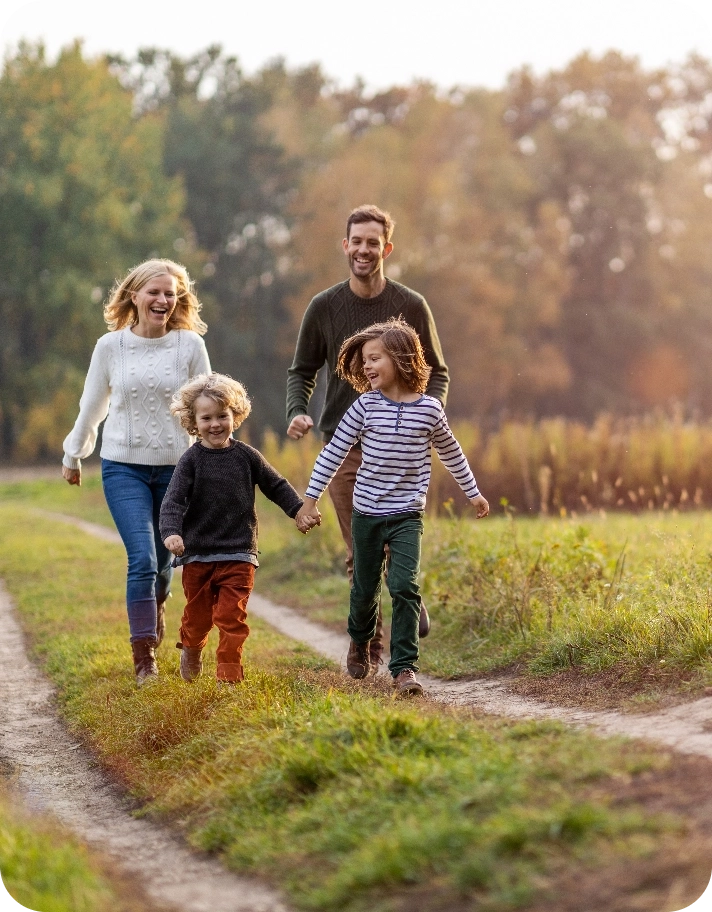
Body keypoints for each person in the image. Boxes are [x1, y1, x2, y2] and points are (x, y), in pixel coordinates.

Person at [286, 204, 449, 669]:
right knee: (360, 551)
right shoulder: (324, 306)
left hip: (402, 444)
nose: (363, 249)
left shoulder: (411, 305)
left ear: (386, 248)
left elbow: (437, 372)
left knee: (398, 540)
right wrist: (298, 411)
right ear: (345, 245)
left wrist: (426, 415)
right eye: (356, 241)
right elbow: (301, 371)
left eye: (372, 242)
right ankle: (366, 648)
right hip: (345, 442)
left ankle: (406, 594)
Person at [296, 319, 489, 696]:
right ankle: (361, 641)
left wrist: (474, 493)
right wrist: (310, 498)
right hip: (367, 513)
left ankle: (404, 670)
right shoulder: (364, 407)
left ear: (400, 359)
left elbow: (451, 452)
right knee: (364, 590)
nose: (366, 367)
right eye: (364, 360)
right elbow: (333, 453)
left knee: (404, 586)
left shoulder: (430, 410)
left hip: (406, 515)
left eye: (374, 359)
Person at [62, 259, 211, 685]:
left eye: (171, 294)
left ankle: (156, 604)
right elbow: (93, 405)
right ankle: (144, 658)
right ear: (134, 295)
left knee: (165, 564)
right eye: (155, 292)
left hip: (176, 472)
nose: (163, 300)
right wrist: (75, 454)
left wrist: (215, 459)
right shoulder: (111, 347)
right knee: (142, 558)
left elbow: (208, 403)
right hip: (122, 466)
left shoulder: (189, 346)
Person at [159, 373, 304, 684]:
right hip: (197, 554)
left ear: (235, 416)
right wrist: (171, 533)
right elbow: (172, 501)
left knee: (231, 617)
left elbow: (276, 485)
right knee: (198, 619)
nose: (215, 424)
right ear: (193, 422)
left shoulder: (247, 456)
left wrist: (299, 510)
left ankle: (229, 673)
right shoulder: (191, 460)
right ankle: (193, 647)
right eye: (207, 418)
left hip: (239, 552)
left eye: (222, 416)